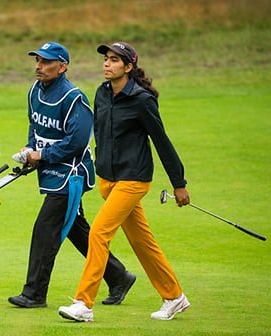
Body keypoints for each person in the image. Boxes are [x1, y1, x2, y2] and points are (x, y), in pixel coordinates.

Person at [58, 42, 191, 322]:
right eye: (106, 59)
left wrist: (178, 183)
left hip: (133, 179)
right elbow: (96, 135)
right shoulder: (102, 93)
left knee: (99, 233)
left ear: (128, 67)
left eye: (114, 60)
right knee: (142, 242)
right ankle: (174, 296)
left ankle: (83, 304)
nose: (107, 64)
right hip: (109, 180)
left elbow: (161, 141)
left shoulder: (142, 100)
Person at [8, 42, 136, 309]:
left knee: (46, 230)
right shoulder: (34, 91)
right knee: (76, 230)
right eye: (37, 61)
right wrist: (30, 149)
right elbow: (35, 124)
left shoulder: (73, 98)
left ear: (62, 66)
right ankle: (118, 276)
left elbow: (76, 144)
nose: (38, 66)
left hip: (71, 175)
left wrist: (42, 156)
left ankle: (34, 294)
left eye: (46, 62)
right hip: (51, 171)